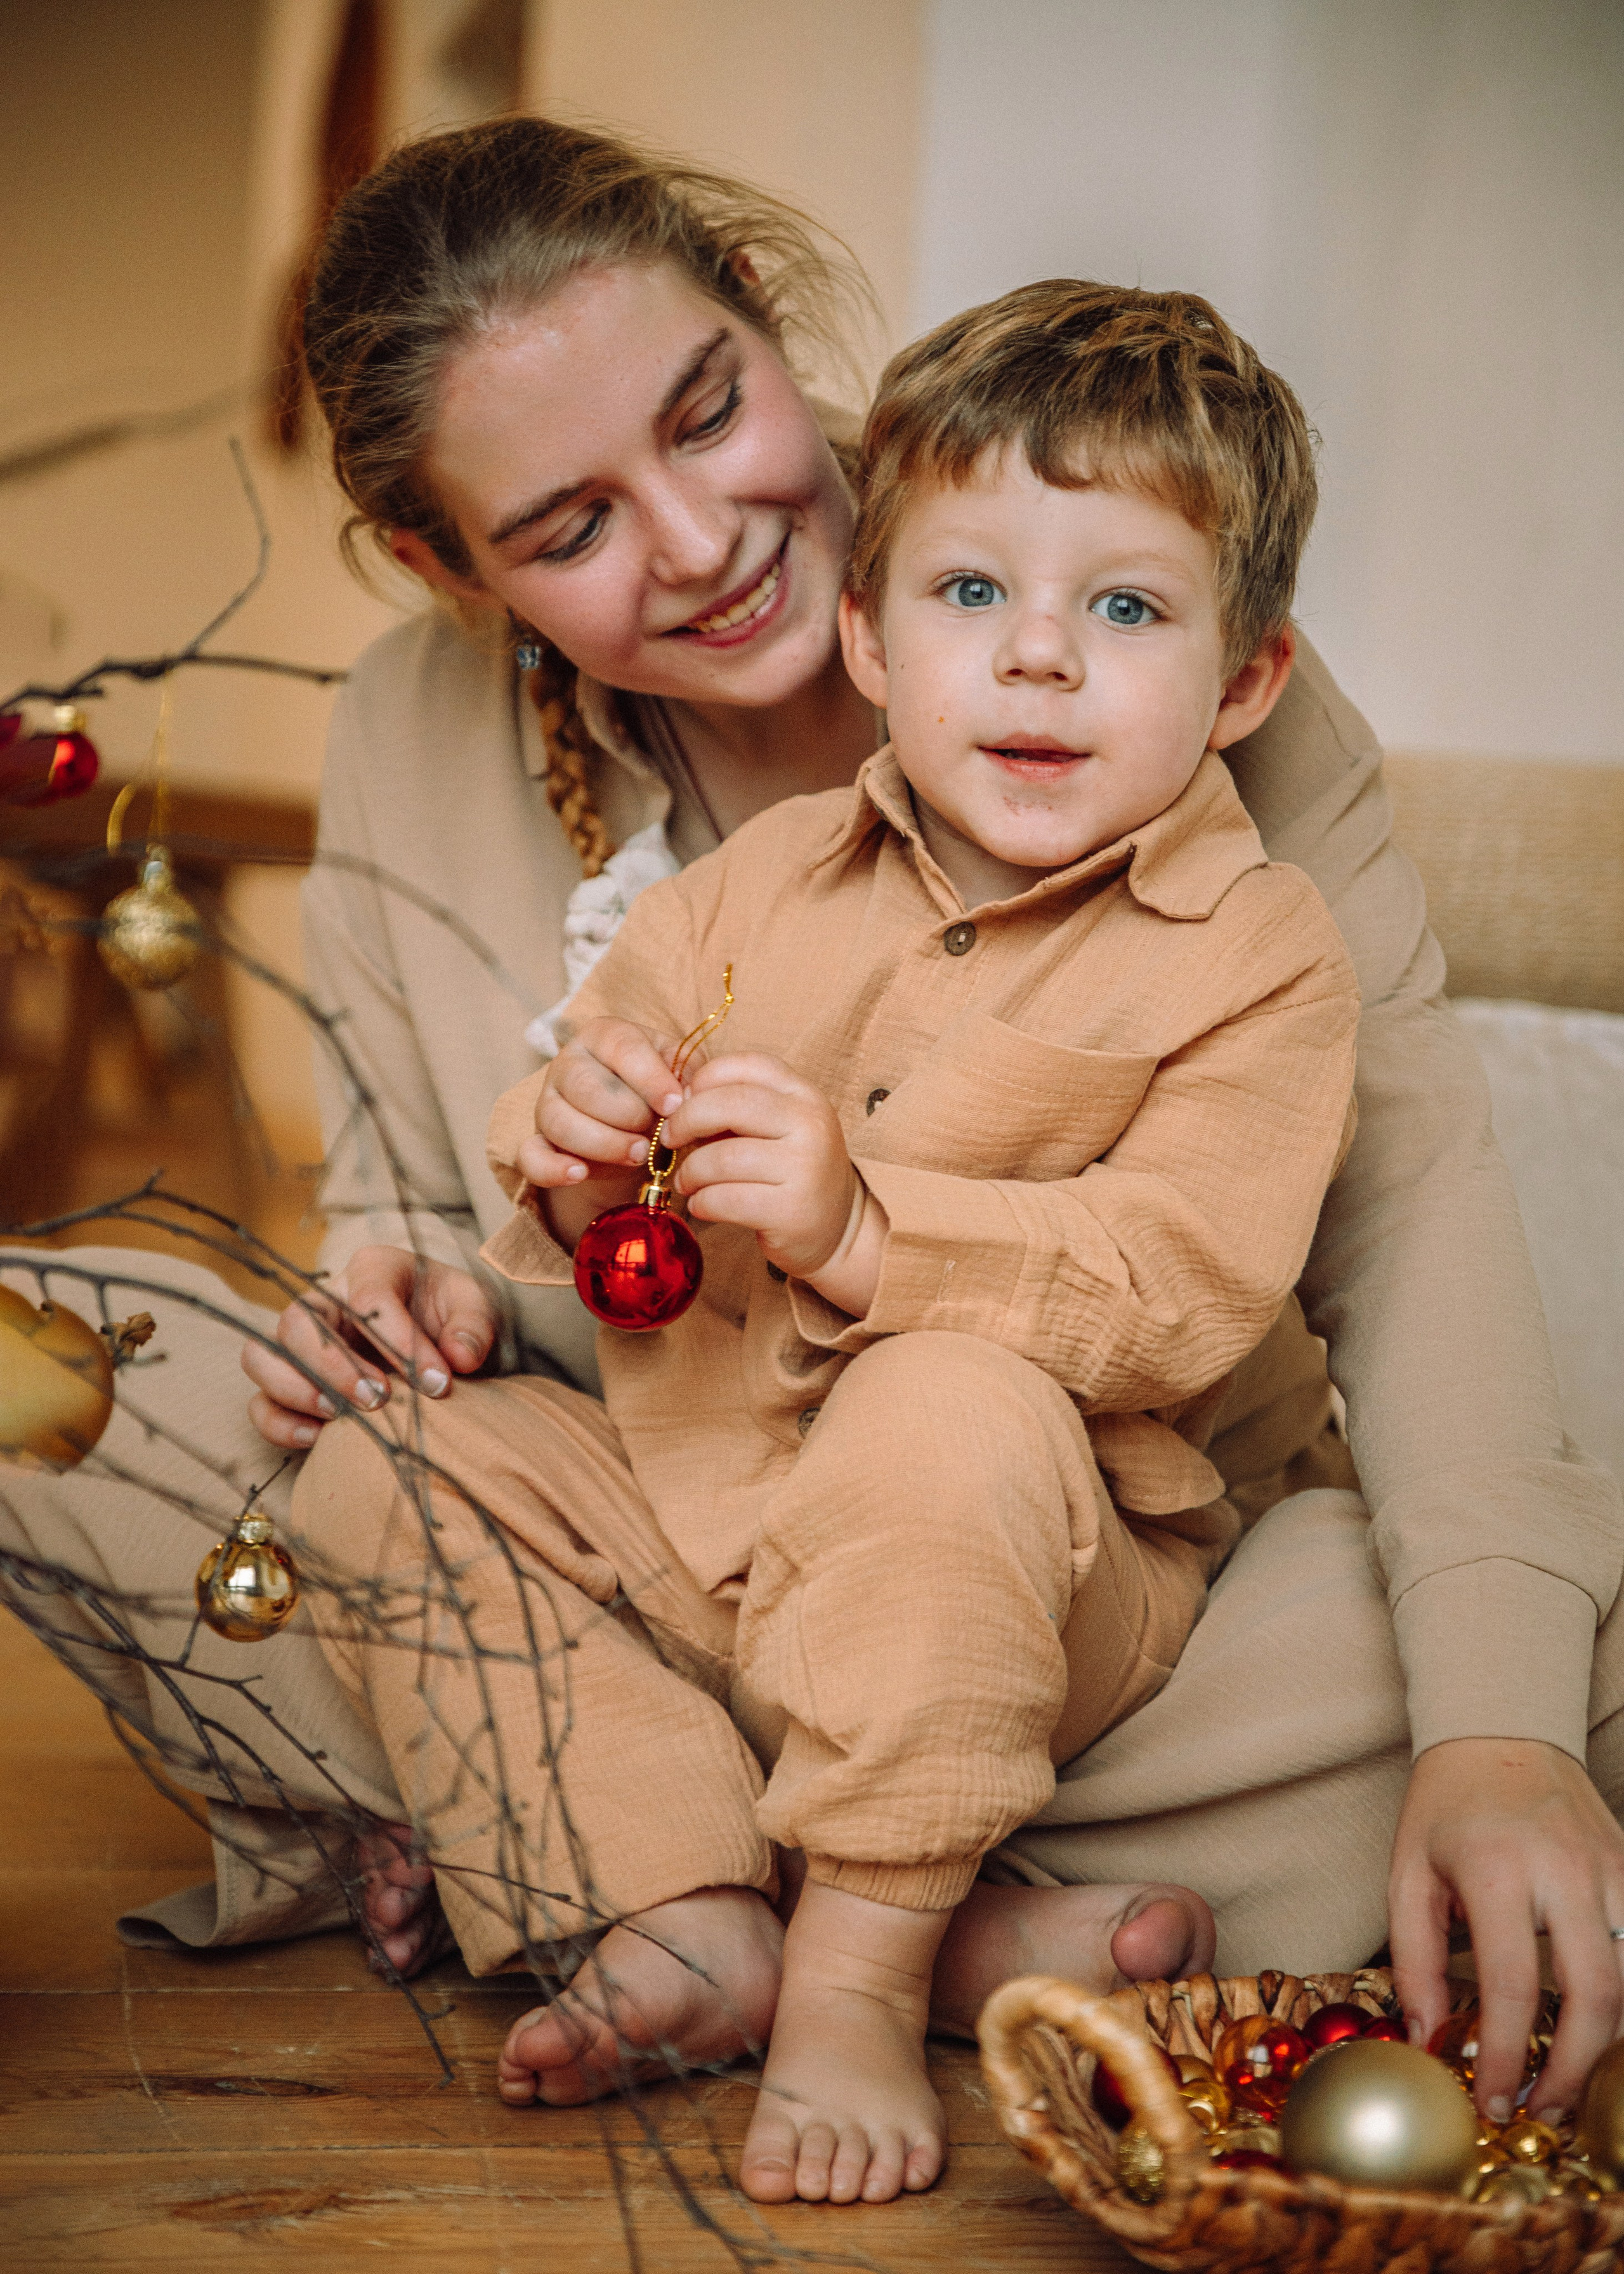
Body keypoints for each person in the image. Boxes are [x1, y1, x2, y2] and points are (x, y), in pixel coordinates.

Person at [2, 116, 1621, 2143]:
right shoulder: (417, 740)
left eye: (710, 413)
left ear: (766, 321)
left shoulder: (1148, 629)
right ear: (446, 566)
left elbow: (1413, 1219)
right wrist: (404, 1282)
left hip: (1082, 1592)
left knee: (1539, 1654)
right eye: (570, 528)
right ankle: (921, 1923)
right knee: (91, 1381)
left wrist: (1494, 1734)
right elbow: (429, 1206)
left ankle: (635, 1867)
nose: (697, 541)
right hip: (654, 1523)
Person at [294, 274, 1365, 2207]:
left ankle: (862, 1973)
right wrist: (574, 1133)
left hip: (1035, 1567)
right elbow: (558, 1177)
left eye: (1122, 611)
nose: (1037, 664)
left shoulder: (1260, 948)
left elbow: (1185, 1290)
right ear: (868, 635)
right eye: (973, 599)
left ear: (1248, 680)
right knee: (382, 1468)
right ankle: (694, 1906)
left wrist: (875, 1241)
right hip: (715, 1520)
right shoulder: (757, 881)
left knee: (944, 1404)